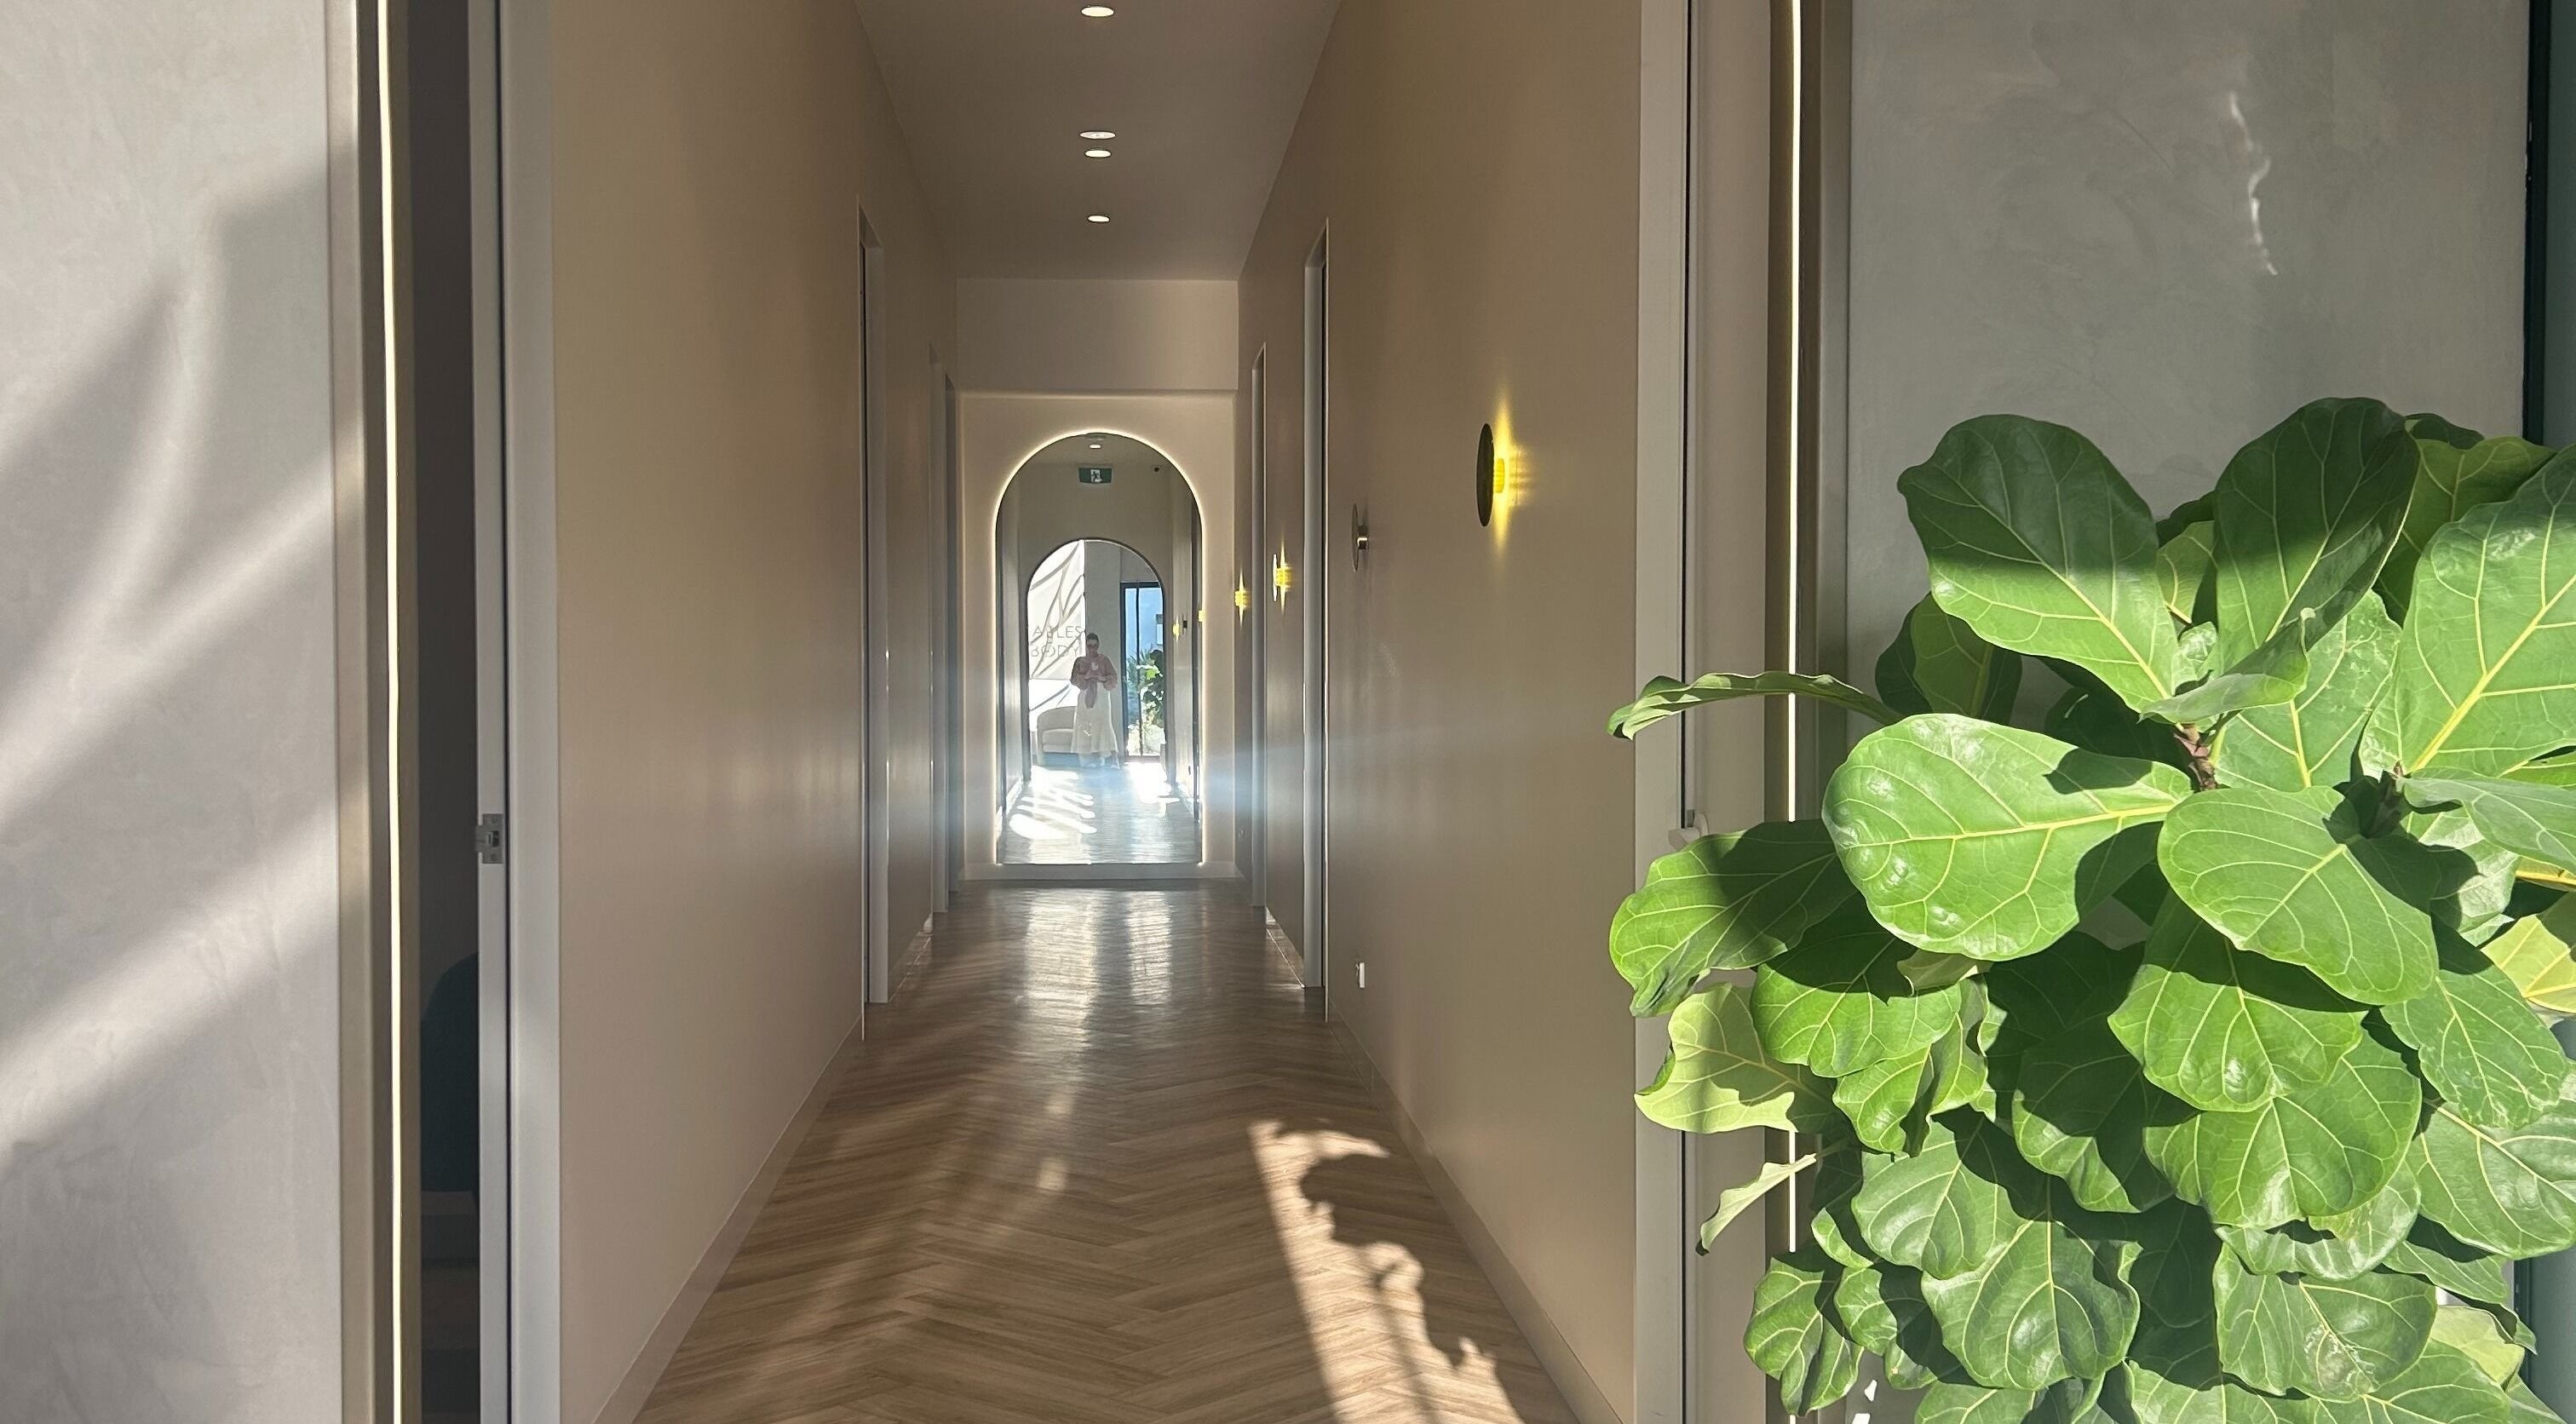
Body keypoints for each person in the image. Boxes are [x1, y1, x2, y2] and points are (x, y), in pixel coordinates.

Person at [1068, 633, 1120, 766]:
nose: (1092, 649)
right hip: (1086, 695)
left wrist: (1102, 678)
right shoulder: (1080, 661)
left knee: (1104, 725)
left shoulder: (1104, 660)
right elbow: (1073, 679)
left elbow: (1114, 678)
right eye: (1090, 646)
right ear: (1086, 646)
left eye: (1095, 646)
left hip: (1101, 694)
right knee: (1085, 726)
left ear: (1098, 646)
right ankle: (1090, 758)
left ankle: (1112, 759)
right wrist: (1087, 676)